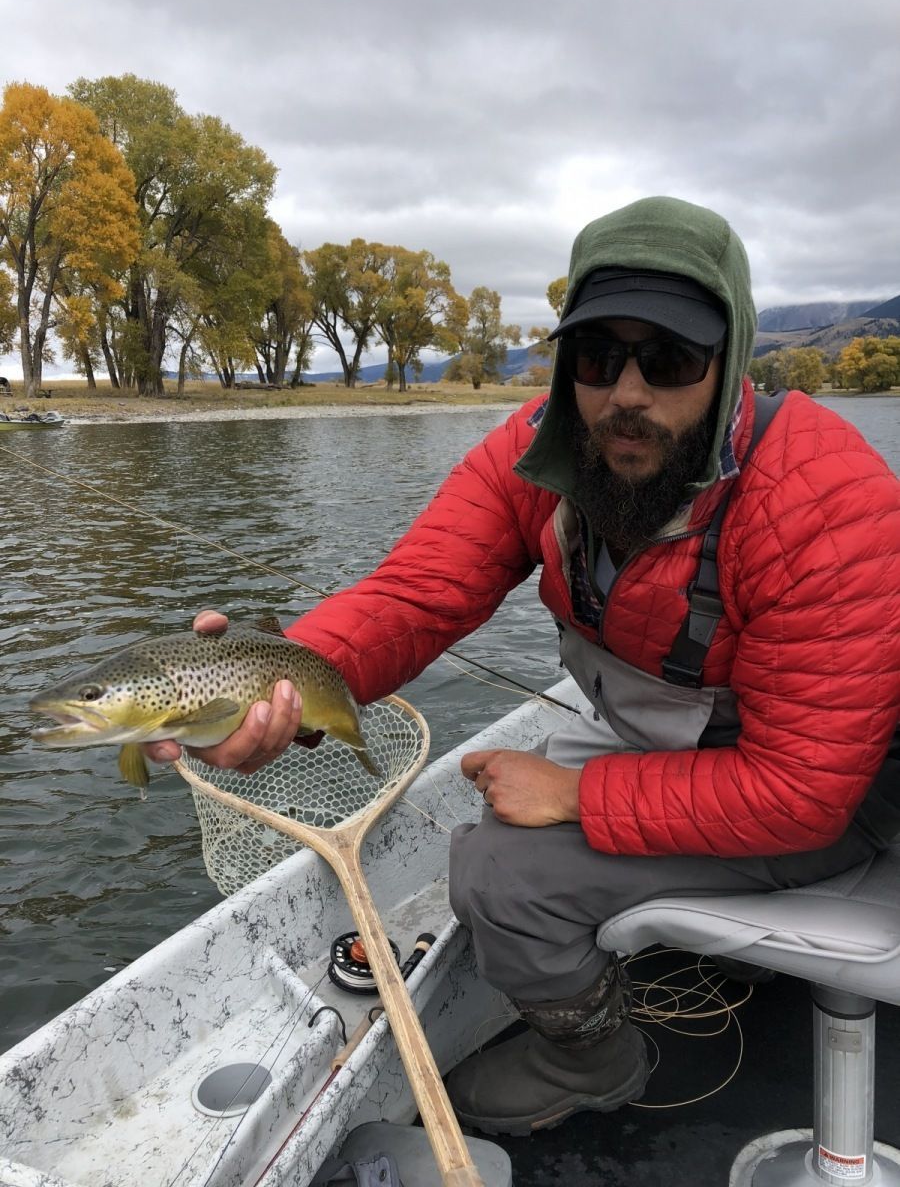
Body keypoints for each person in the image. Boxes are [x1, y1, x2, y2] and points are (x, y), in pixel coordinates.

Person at [145, 196, 900, 1137]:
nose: (626, 395)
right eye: (596, 357)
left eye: (668, 360)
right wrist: (275, 684)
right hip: (687, 750)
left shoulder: (823, 499)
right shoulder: (538, 453)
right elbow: (417, 595)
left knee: (498, 869)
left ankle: (594, 1057)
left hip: (830, 790)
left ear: (732, 359)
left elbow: (804, 790)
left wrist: (579, 798)